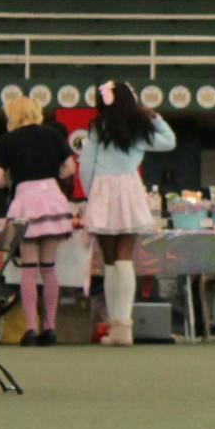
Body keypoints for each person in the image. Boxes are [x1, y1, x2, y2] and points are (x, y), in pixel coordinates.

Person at [79, 80, 176, 348]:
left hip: (103, 190)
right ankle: (124, 325)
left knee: (109, 261)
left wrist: (90, 195)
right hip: (129, 189)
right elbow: (169, 142)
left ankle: (117, 326)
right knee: (125, 259)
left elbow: (87, 163)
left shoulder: (98, 127)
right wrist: (154, 115)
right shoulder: (139, 127)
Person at [0, 94, 75, 346]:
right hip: (52, 198)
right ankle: (50, 327)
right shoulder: (52, 135)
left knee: (29, 268)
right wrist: (52, 176)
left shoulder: (8, 140)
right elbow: (70, 168)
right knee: (49, 267)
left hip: (25, 200)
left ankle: (30, 328)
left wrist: (10, 182)